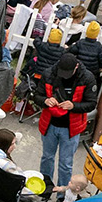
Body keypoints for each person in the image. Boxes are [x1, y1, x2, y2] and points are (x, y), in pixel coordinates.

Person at [36, 52, 92, 188]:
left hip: (71, 129)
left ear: (76, 67)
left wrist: (73, 106)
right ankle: (46, 188)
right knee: (47, 158)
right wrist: (45, 100)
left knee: (65, 164)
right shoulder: (49, 74)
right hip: (50, 125)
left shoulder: (87, 78)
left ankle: (63, 193)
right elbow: (37, 95)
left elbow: (91, 103)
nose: (64, 76)